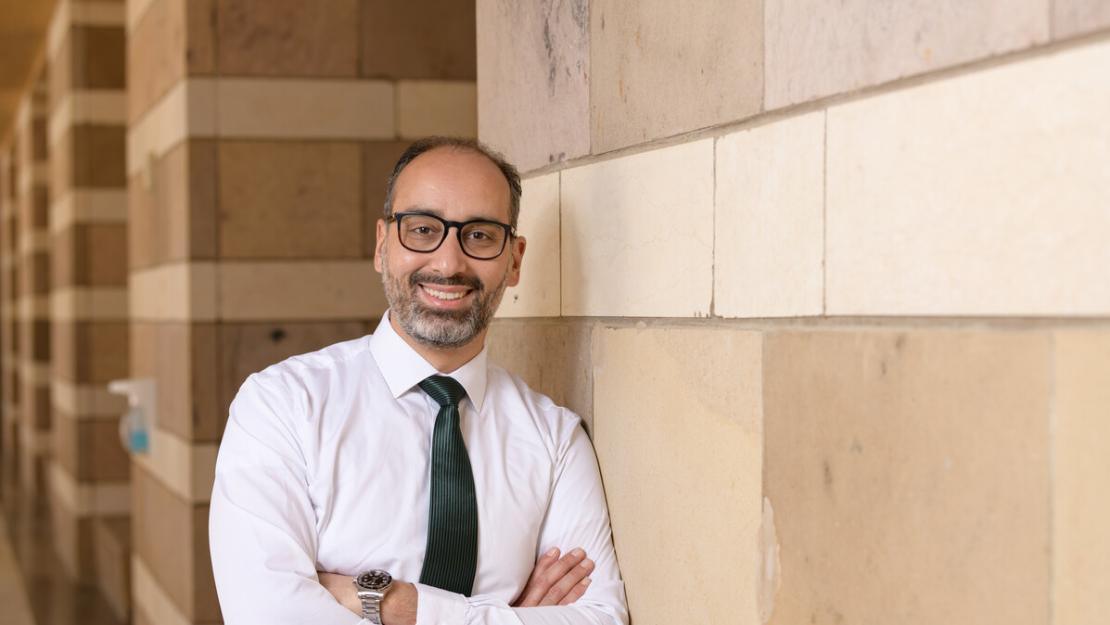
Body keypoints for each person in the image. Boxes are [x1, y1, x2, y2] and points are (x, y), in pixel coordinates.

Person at [209, 137, 628, 625]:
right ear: (383, 246)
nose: (448, 264)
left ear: (514, 261)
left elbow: (600, 618)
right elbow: (267, 615)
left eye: (479, 235)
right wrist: (503, 617)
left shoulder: (554, 440)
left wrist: (398, 604)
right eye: (423, 229)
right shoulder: (282, 407)